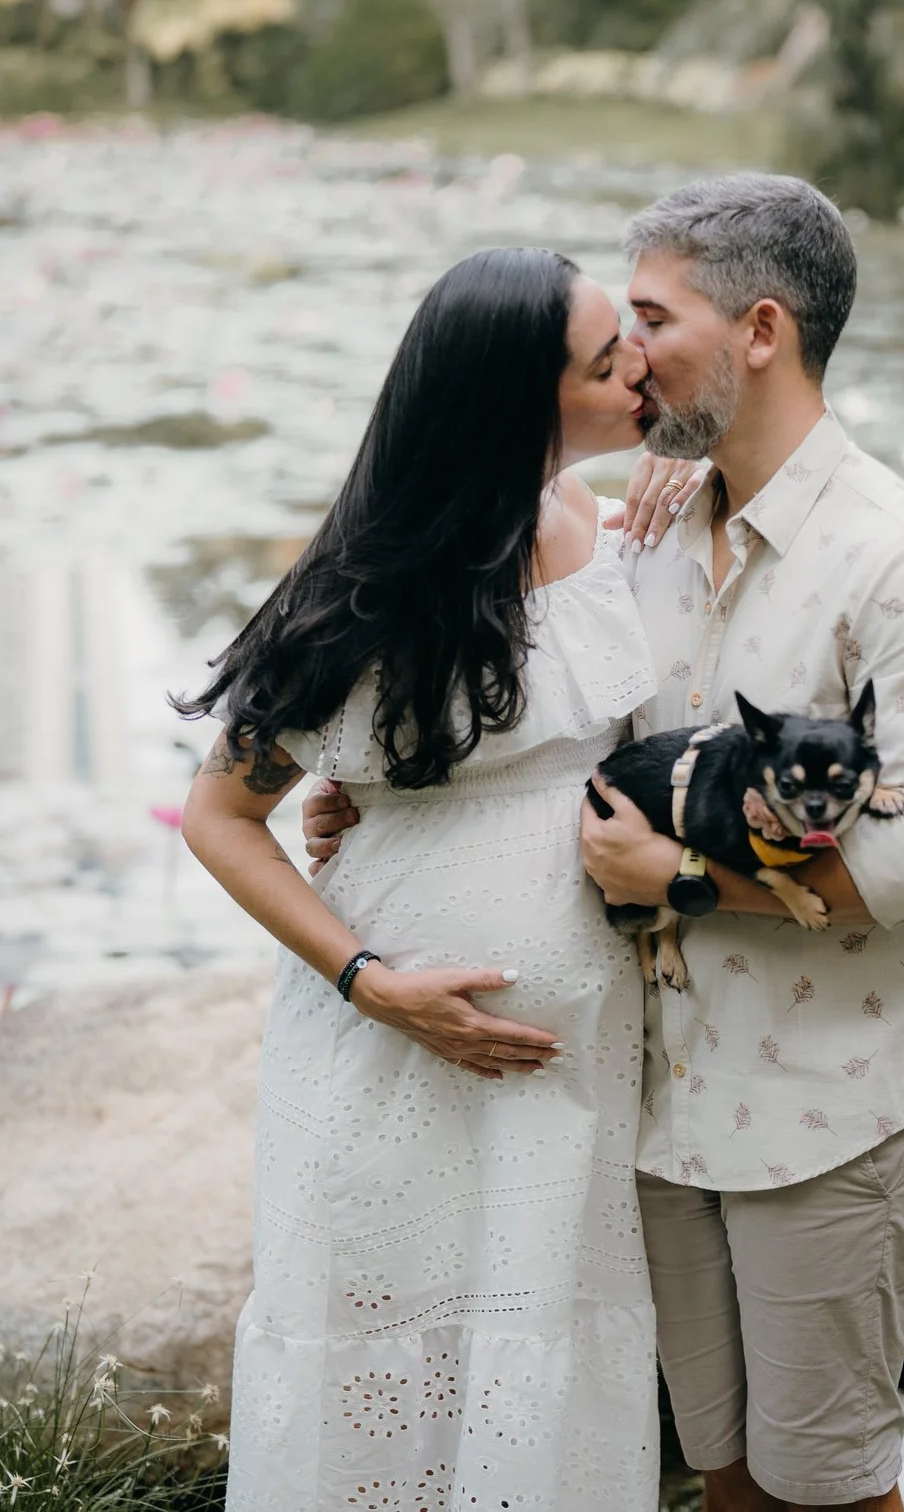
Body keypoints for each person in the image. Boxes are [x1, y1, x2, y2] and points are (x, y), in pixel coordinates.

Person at [306, 175, 904, 1512]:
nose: (627, 355)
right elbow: (566, 731)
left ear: (759, 329)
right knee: (730, 1480)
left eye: (649, 317)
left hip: (830, 1105)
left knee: (836, 1485)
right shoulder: (644, 524)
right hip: (661, 1104)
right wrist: (369, 800)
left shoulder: (902, 562)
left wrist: (695, 879)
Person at [176, 246, 703, 1511]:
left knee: (541, 1368)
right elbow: (219, 814)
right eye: (604, 356)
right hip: (387, 1066)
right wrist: (373, 984)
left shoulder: (617, 522)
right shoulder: (365, 591)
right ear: (519, 406)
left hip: (568, 1072)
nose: (637, 360)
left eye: (631, 338)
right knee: (380, 1384)